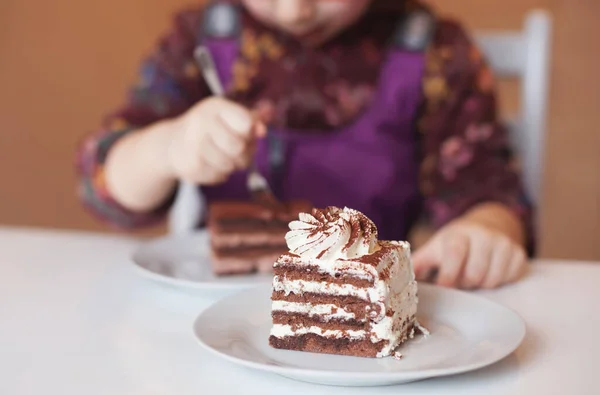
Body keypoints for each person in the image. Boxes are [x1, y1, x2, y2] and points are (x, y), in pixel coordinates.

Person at [76, 0, 534, 289]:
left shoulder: (437, 51)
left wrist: (488, 232)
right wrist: (166, 148)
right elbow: (102, 184)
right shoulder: (199, 39)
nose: (296, 9)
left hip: (367, 321)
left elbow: (490, 192)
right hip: (208, 320)